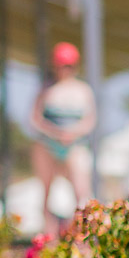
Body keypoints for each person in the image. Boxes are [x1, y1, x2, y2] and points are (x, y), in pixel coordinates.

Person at [29, 42, 96, 235]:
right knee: (46, 192)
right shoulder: (46, 89)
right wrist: (55, 134)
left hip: (74, 145)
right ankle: (48, 236)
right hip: (47, 144)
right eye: (60, 65)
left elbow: (90, 121)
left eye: (67, 65)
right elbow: (35, 118)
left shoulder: (83, 90)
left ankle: (81, 237)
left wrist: (72, 134)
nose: (63, 70)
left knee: (81, 192)